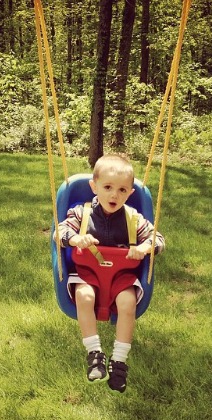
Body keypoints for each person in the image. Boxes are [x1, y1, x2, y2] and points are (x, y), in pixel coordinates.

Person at [54, 154, 165, 392]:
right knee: (84, 297)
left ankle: (119, 361)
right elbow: (58, 232)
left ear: (130, 193)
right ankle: (95, 354)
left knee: (127, 303)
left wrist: (145, 247)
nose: (114, 195)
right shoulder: (80, 214)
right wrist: (75, 238)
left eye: (122, 190)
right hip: (87, 275)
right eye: (107, 187)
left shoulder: (134, 219)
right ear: (94, 187)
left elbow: (159, 239)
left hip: (120, 279)